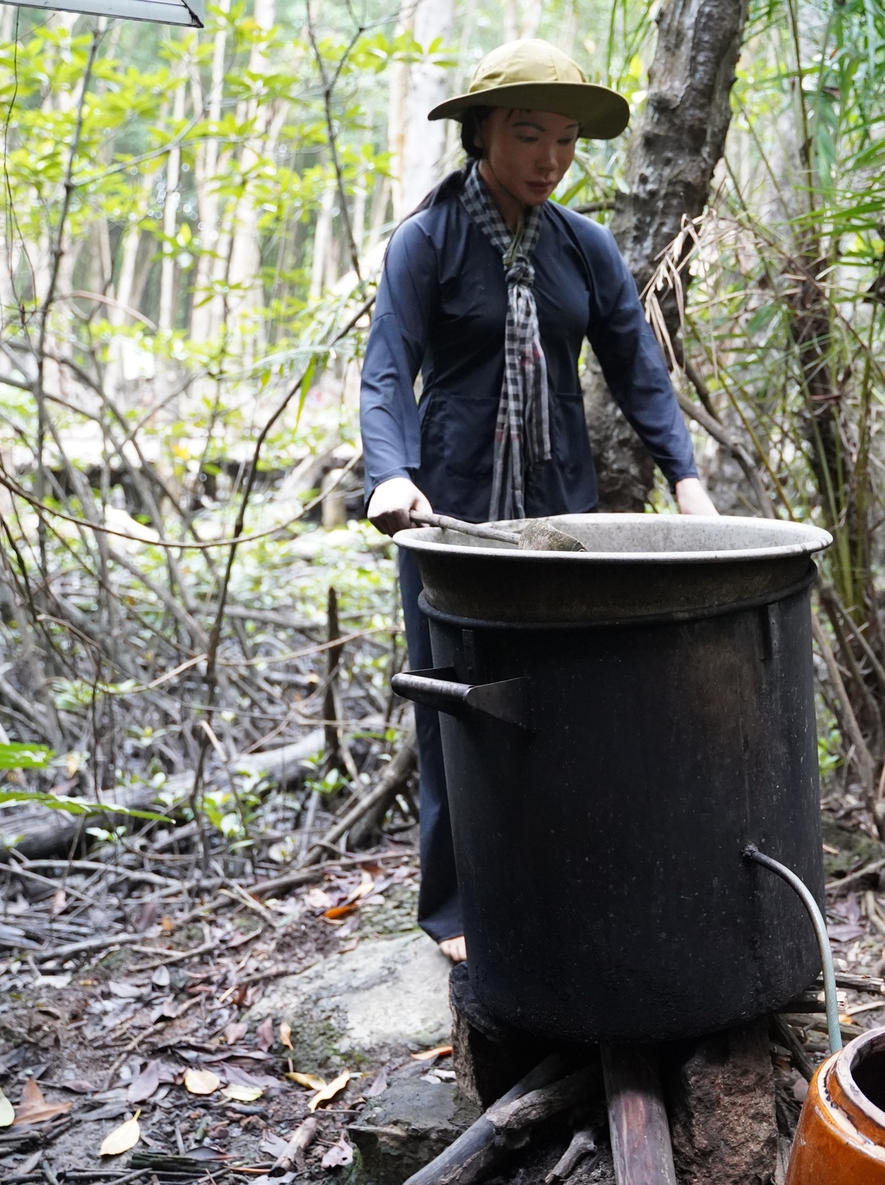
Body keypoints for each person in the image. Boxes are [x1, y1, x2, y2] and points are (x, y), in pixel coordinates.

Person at [360, 38, 718, 963]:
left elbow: (639, 368)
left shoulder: (583, 249)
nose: (550, 159)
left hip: (557, 510)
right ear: (482, 133)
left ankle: (560, 880)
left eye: (563, 140)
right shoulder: (427, 240)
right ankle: (454, 908)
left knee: (561, 699)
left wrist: (686, 478)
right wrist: (390, 473)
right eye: (528, 135)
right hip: (448, 513)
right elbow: (387, 370)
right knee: (454, 697)